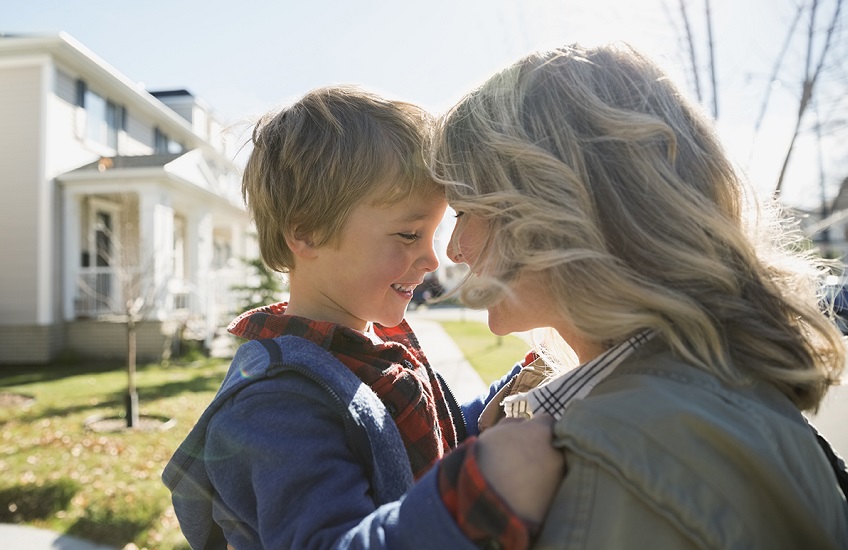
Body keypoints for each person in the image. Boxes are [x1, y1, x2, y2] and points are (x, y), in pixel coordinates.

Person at [429, 43, 848, 548]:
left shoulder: (627, 461)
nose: (454, 249)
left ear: (551, 205)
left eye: (463, 210)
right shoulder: (694, 396)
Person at [162, 86, 563, 550]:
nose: (432, 259)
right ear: (306, 231)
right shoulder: (278, 404)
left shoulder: (373, 345)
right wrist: (482, 494)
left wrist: (524, 380)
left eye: (434, 233)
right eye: (409, 234)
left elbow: (431, 441)